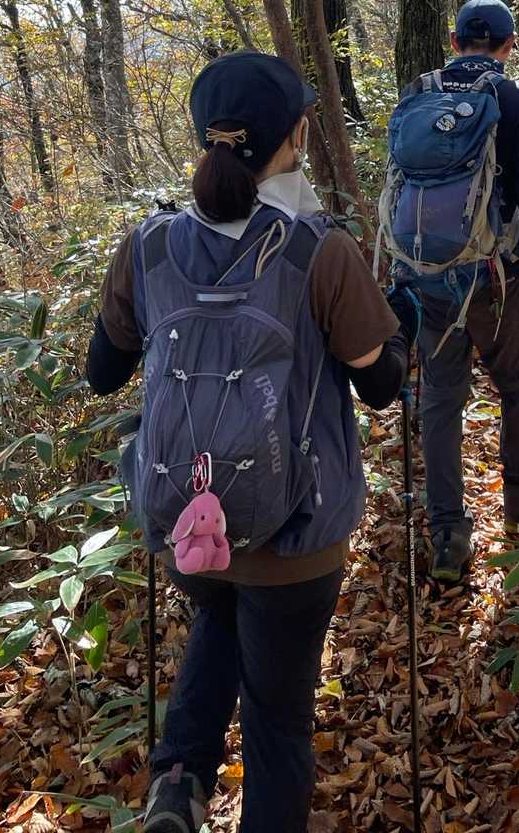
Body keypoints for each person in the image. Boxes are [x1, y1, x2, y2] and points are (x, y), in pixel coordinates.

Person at [86, 51, 417, 833]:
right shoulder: (317, 250)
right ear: (295, 135)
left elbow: (103, 372)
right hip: (297, 538)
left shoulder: (149, 246)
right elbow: (380, 385)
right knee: (278, 721)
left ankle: (179, 780)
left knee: (222, 612)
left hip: (186, 525)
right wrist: (399, 324)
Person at [398, 0, 519, 584]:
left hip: (428, 277)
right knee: (518, 386)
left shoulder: (417, 94)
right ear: (509, 46)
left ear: (455, 41)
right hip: (498, 277)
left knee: (441, 398)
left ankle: (447, 532)